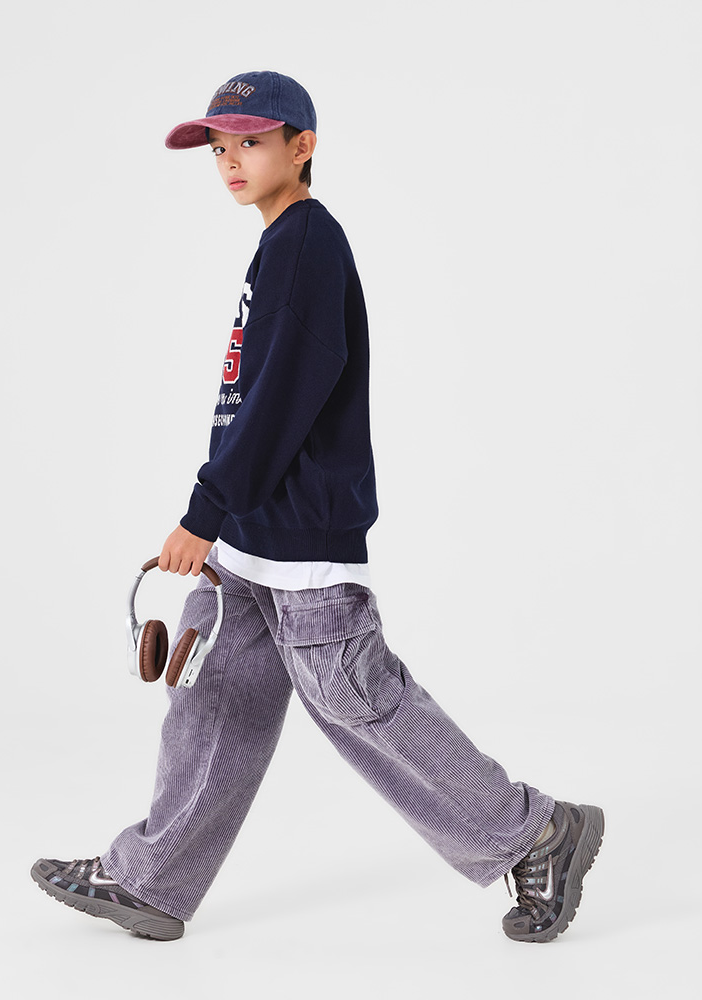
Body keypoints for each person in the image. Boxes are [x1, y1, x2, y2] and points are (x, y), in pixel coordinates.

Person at [32, 70, 604, 944]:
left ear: (302, 148)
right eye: (218, 148)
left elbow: (284, 396)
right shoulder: (279, 244)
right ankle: (152, 879)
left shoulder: (307, 241)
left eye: (250, 143)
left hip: (297, 530)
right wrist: (224, 513)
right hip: (251, 531)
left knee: (355, 699)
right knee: (213, 697)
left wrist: (206, 508)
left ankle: (537, 834)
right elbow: (253, 394)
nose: (230, 161)